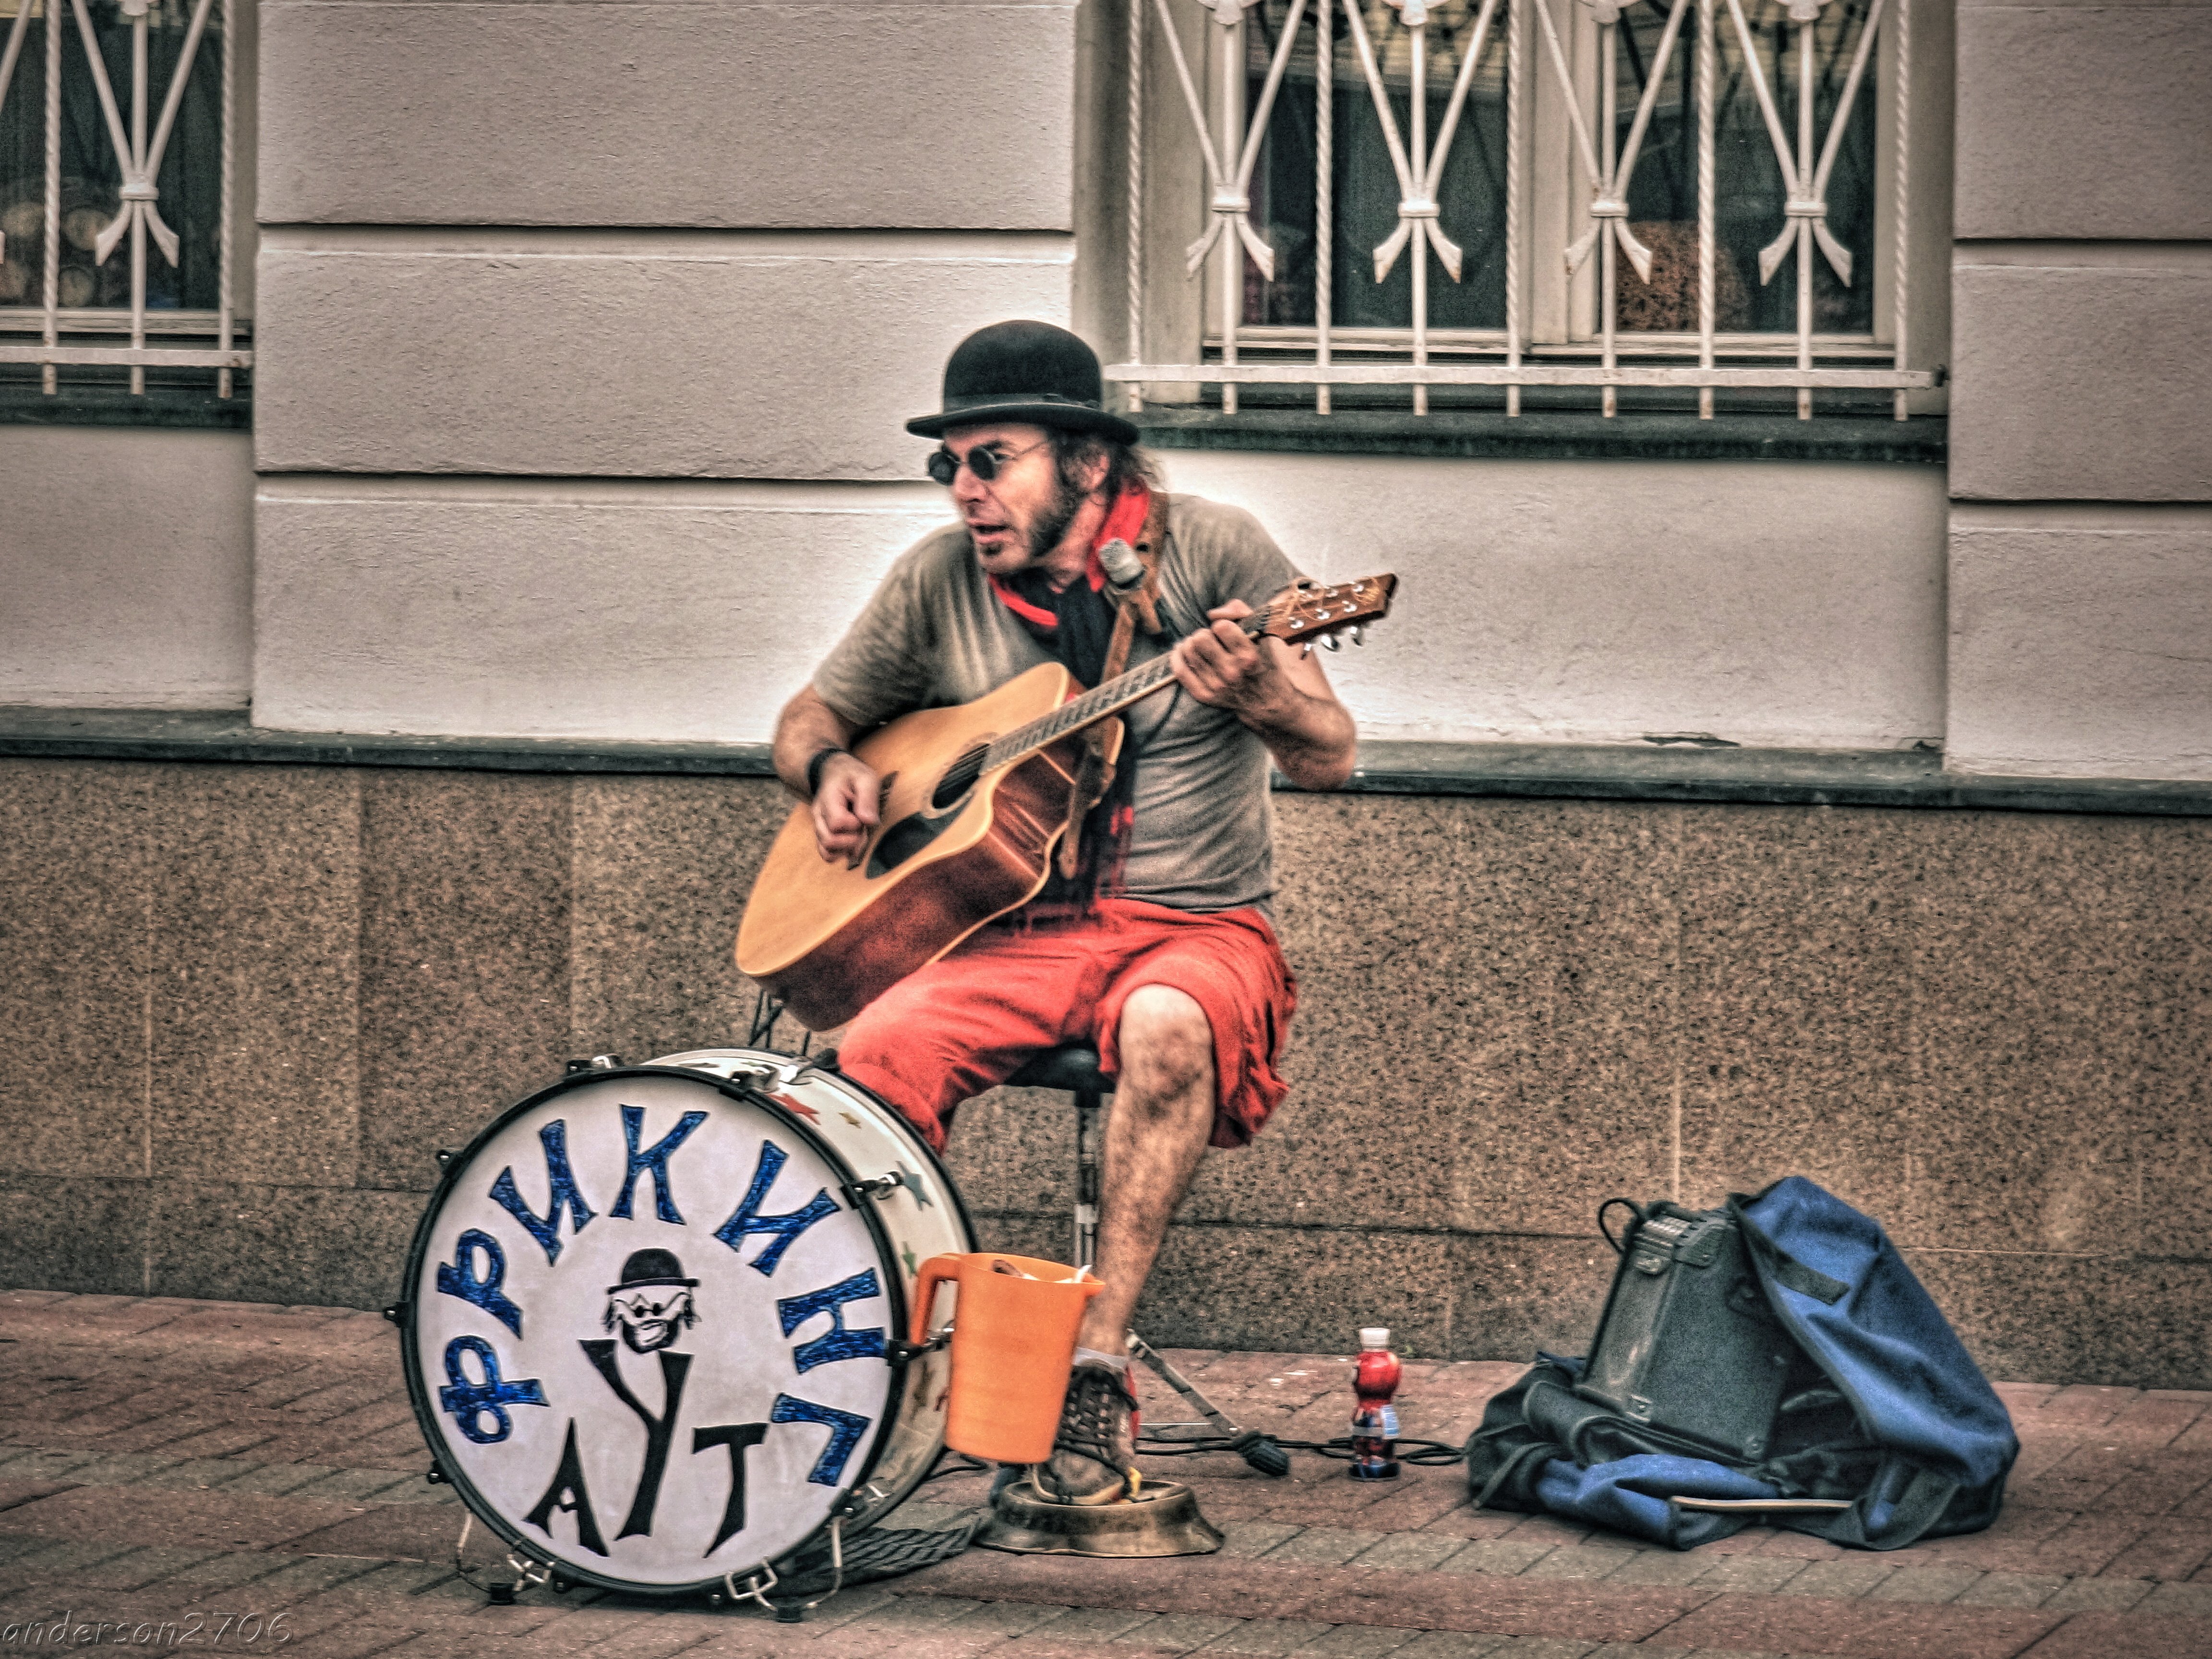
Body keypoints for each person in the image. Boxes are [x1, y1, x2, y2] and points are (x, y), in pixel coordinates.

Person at [769, 320, 1356, 1504]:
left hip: (1193, 925)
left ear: (1088, 464)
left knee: (1168, 1026)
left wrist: (1260, 696)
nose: (966, 491)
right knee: (873, 1054)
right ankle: (892, 1352)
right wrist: (828, 767)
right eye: (952, 465)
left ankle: (1093, 1365)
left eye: (993, 460)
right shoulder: (938, 583)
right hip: (1013, 936)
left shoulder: (1216, 550)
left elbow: (1334, 754)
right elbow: (804, 719)